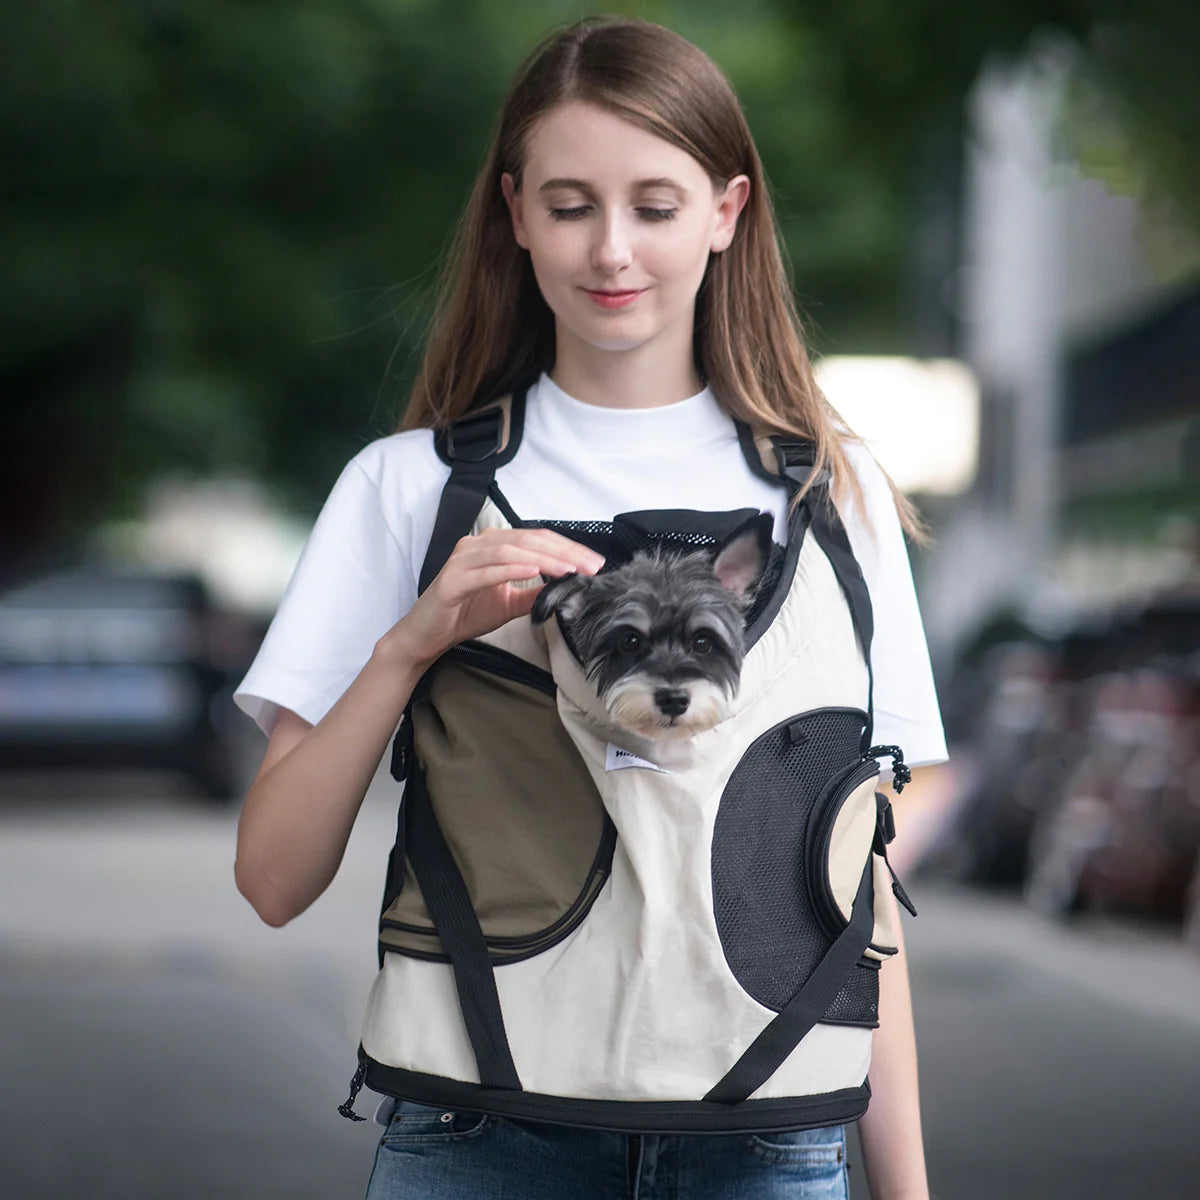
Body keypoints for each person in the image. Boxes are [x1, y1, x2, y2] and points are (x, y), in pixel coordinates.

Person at [233, 15, 947, 1200]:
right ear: (514, 214)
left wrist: (907, 1186)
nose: (611, 249)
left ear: (727, 212)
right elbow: (271, 880)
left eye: (654, 207)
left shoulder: (835, 495)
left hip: (772, 1143)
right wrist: (411, 649)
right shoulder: (409, 490)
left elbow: (855, 883)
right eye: (570, 205)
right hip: (478, 1138)